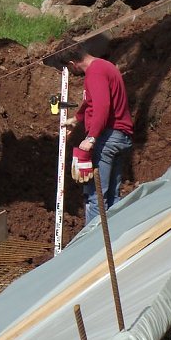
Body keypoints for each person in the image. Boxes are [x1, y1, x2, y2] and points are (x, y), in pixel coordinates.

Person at [61, 43, 134, 224]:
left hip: (108, 139)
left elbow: (103, 105)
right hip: (120, 137)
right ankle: (114, 239)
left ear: (72, 63)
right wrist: (77, 118)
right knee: (112, 195)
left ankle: (92, 246)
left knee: (96, 197)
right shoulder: (104, 66)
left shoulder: (95, 72)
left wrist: (91, 138)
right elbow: (92, 101)